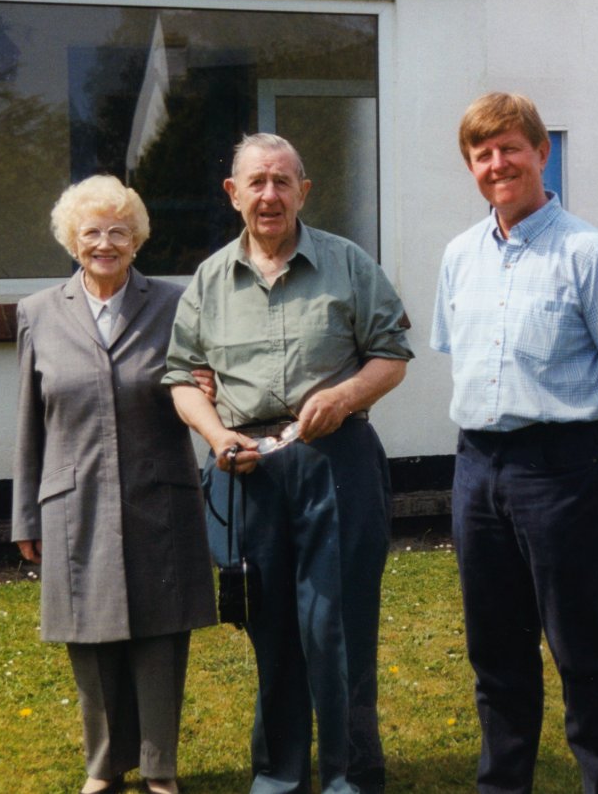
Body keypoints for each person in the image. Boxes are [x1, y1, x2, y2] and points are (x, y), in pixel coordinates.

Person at [163, 133, 413, 794]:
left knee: (337, 624)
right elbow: (183, 378)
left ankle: (350, 773)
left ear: (304, 190)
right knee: (268, 624)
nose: (269, 194)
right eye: (257, 182)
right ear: (233, 193)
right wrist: (216, 434)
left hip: (336, 463)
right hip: (247, 470)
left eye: (283, 181)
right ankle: (277, 771)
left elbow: (391, 354)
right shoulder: (209, 281)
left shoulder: (347, 263)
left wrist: (344, 394)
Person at [431, 92, 598, 794]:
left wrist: (584, 451)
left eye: (509, 148)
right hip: (476, 471)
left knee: (581, 648)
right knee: (495, 653)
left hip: (563, 472)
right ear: (470, 165)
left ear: (540, 152)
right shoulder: (459, 256)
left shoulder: (589, 255)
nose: (498, 164)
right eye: (482, 153)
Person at [12, 175, 216, 794]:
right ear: (72, 240)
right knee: (89, 633)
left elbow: (203, 385)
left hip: (160, 492)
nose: (105, 243)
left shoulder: (175, 304)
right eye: (92, 232)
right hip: (74, 499)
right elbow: (29, 419)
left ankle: (159, 768)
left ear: (137, 240)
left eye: (118, 231)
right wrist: (26, 516)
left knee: (160, 632)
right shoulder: (38, 312)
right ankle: (103, 766)